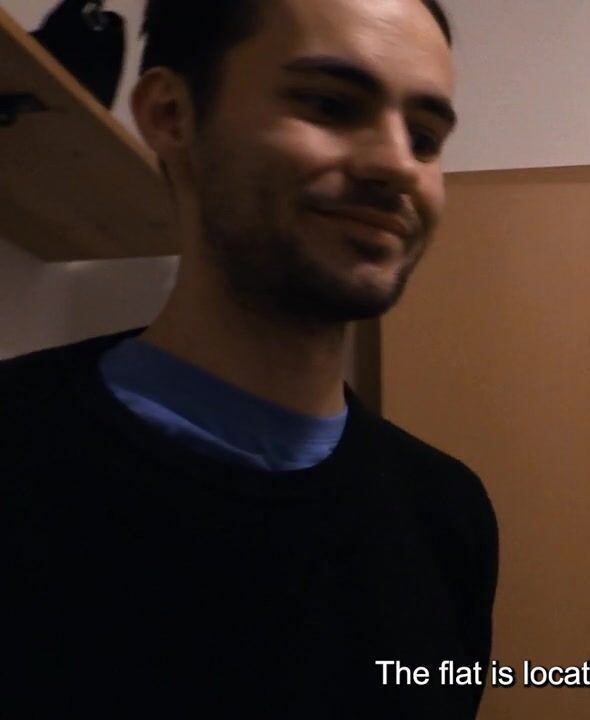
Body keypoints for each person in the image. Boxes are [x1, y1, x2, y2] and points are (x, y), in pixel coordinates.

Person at [0, 1, 497, 717]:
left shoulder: (447, 517)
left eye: (424, 138)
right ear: (172, 115)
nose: (398, 165)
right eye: (330, 104)